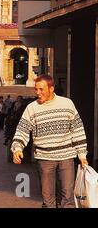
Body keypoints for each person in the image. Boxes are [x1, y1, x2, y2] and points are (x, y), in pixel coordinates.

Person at [11, 74, 88, 208]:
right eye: (36, 89)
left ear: (51, 88)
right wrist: (17, 148)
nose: (38, 93)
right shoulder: (32, 108)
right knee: (48, 200)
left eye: (41, 89)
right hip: (44, 158)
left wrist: (82, 155)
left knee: (68, 197)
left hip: (66, 157)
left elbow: (77, 129)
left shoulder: (67, 104)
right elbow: (22, 130)